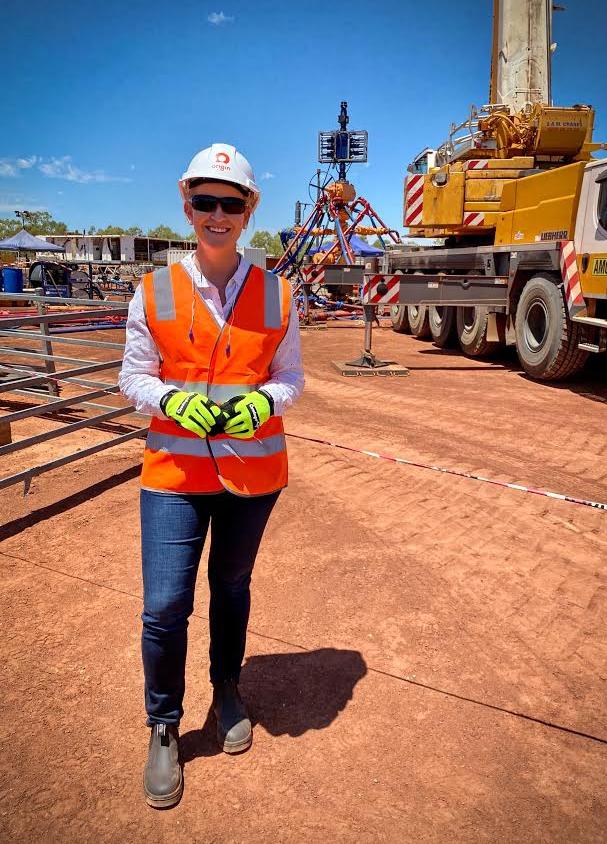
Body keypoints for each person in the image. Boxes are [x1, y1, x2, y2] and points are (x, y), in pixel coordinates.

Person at [119, 143, 304, 808]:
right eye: (206, 201)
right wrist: (168, 398)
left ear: (250, 209)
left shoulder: (278, 293)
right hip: (172, 471)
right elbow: (132, 375)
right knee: (166, 605)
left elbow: (290, 378)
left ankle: (226, 686)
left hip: (253, 477)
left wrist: (266, 401)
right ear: (186, 204)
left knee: (231, 585)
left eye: (231, 202)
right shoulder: (155, 289)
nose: (218, 214)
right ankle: (164, 725)